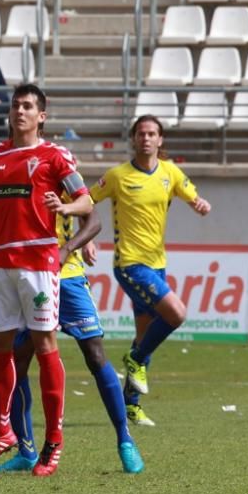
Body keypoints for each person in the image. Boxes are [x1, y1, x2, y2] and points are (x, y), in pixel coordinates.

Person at [0, 83, 93, 477]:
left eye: (27, 106)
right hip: (0, 261)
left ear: (41, 115)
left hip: (39, 262)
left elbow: (87, 203)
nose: (19, 111)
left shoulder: (55, 155)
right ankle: (2, 431)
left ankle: (54, 441)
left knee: (44, 344)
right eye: (15, 105)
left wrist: (65, 208)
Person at [0, 205, 145, 474]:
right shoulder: (10, 173)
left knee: (95, 356)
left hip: (67, 276)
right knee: (19, 360)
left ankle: (125, 440)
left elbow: (93, 219)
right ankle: (26, 451)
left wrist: (69, 247)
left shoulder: (60, 171)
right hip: (29, 278)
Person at [89, 115, 211, 428]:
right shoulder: (118, 176)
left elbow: (189, 193)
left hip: (158, 264)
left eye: (152, 133)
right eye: (141, 133)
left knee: (145, 333)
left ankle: (131, 406)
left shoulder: (170, 172)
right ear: (134, 139)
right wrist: (84, 240)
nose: (146, 138)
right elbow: (86, 200)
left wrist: (199, 203)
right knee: (176, 314)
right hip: (129, 264)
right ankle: (136, 360)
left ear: (160, 140)